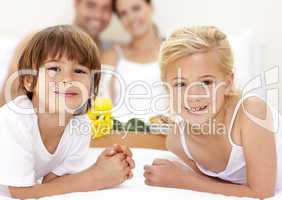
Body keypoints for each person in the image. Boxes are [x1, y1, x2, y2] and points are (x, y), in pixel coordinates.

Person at [143, 26, 282, 198]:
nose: (193, 95)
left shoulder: (251, 112)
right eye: (180, 84)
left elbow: (261, 192)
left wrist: (183, 180)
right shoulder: (177, 141)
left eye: (207, 82)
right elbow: (217, 186)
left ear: (229, 82)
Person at [0, 25, 135, 199]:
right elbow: (18, 191)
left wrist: (104, 166)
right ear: (29, 81)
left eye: (79, 71)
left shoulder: (80, 126)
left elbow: (52, 185)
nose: (68, 79)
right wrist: (95, 177)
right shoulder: (14, 120)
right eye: (55, 69)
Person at [102, 0, 168, 123]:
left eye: (136, 8)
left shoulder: (173, 52)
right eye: (123, 13)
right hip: (120, 137)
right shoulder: (111, 57)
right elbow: (102, 107)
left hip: (162, 137)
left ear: (150, 6)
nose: (131, 18)